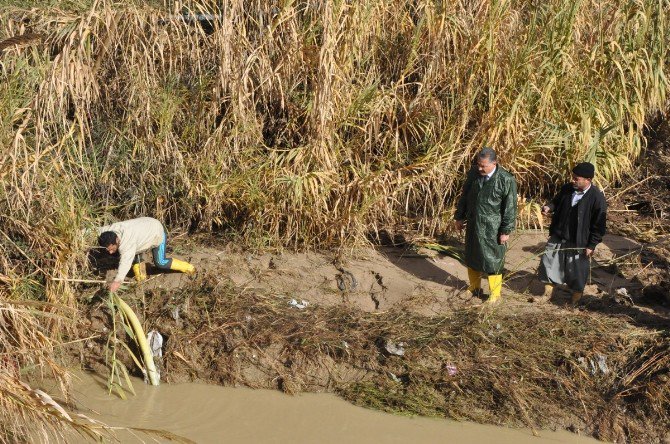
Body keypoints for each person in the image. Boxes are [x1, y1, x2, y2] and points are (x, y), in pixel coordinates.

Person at [455, 147, 517, 303]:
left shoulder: (506, 179)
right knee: (472, 256)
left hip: (493, 227)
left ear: (494, 163)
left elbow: (510, 207)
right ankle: (474, 288)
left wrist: (505, 230)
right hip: (474, 223)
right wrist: (459, 217)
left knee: (493, 261)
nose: (480, 168)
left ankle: (495, 295)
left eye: (484, 166)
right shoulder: (473, 174)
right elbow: (465, 196)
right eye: (478, 164)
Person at [538, 162, 607, 304]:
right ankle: (547, 294)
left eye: (577, 178)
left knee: (577, 271)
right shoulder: (567, 189)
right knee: (549, 263)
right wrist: (549, 207)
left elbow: (599, 225)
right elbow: (556, 201)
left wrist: (591, 245)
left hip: (579, 241)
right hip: (559, 234)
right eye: (573, 177)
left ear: (588, 180)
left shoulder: (597, 198)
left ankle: (575, 300)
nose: (573, 180)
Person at [98, 217, 195, 292]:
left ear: (117, 240)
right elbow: (93, 230)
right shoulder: (110, 230)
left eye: (112, 249)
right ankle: (142, 280)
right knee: (134, 255)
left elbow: (125, 264)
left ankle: (190, 268)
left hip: (156, 231)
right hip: (144, 228)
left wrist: (117, 282)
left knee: (160, 262)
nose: (110, 252)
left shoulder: (127, 243)